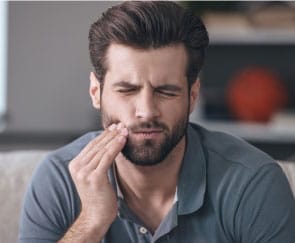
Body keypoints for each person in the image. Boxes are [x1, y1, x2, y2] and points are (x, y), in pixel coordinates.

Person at [19, 1, 295, 243]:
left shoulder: (253, 182)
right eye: (127, 90)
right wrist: (91, 223)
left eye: (166, 91)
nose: (147, 111)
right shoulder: (58, 179)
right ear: (96, 93)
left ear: (193, 95)